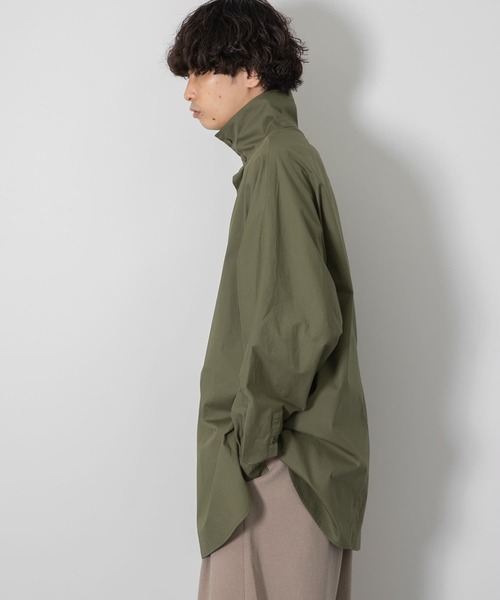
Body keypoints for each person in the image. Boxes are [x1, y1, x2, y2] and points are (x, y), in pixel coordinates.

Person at [166, 1, 369, 598]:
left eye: (202, 71)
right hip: (288, 457)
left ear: (251, 73)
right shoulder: (278, 156)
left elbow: (301, 319)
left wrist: (250, 446)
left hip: (280, 464)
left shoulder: (277, 160)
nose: (189, 92)